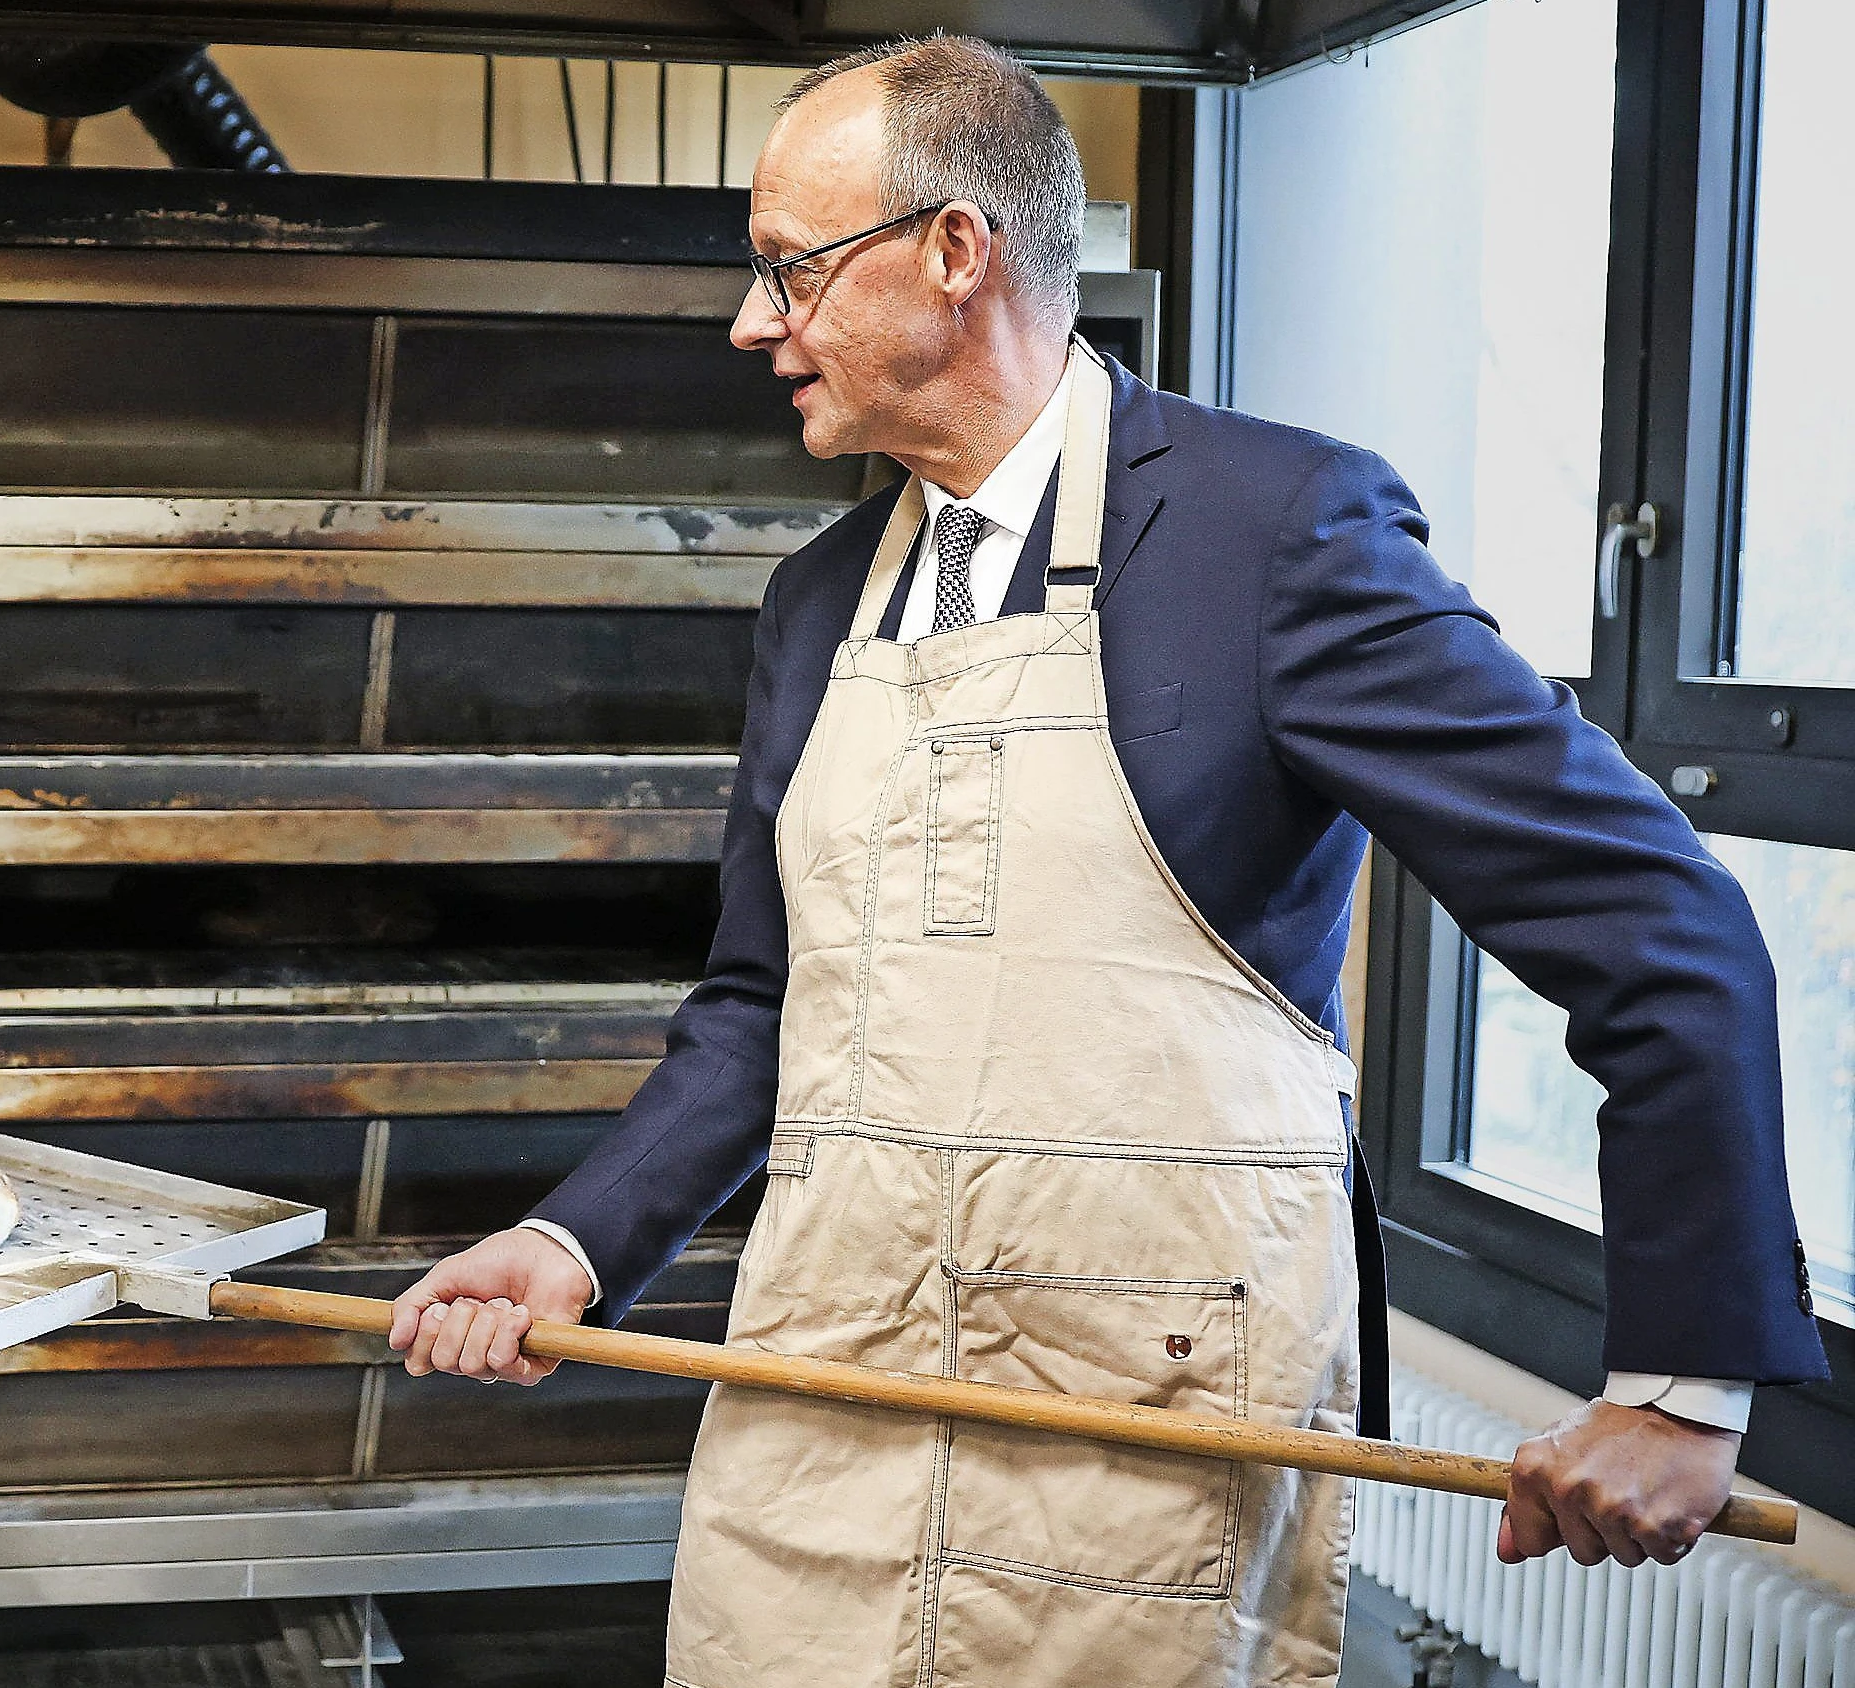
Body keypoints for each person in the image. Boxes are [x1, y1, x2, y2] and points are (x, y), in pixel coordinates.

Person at [388, 36, 1826, 1688]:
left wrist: (1679, 1376)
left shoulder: (1272, 538)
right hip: (827, 1405)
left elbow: (1662, 921)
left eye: (790, 270)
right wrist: (570, 1241)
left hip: (1137, 1432)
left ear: (954, 249)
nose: (750, 324)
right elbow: (766, 1003)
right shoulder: (813, 602)